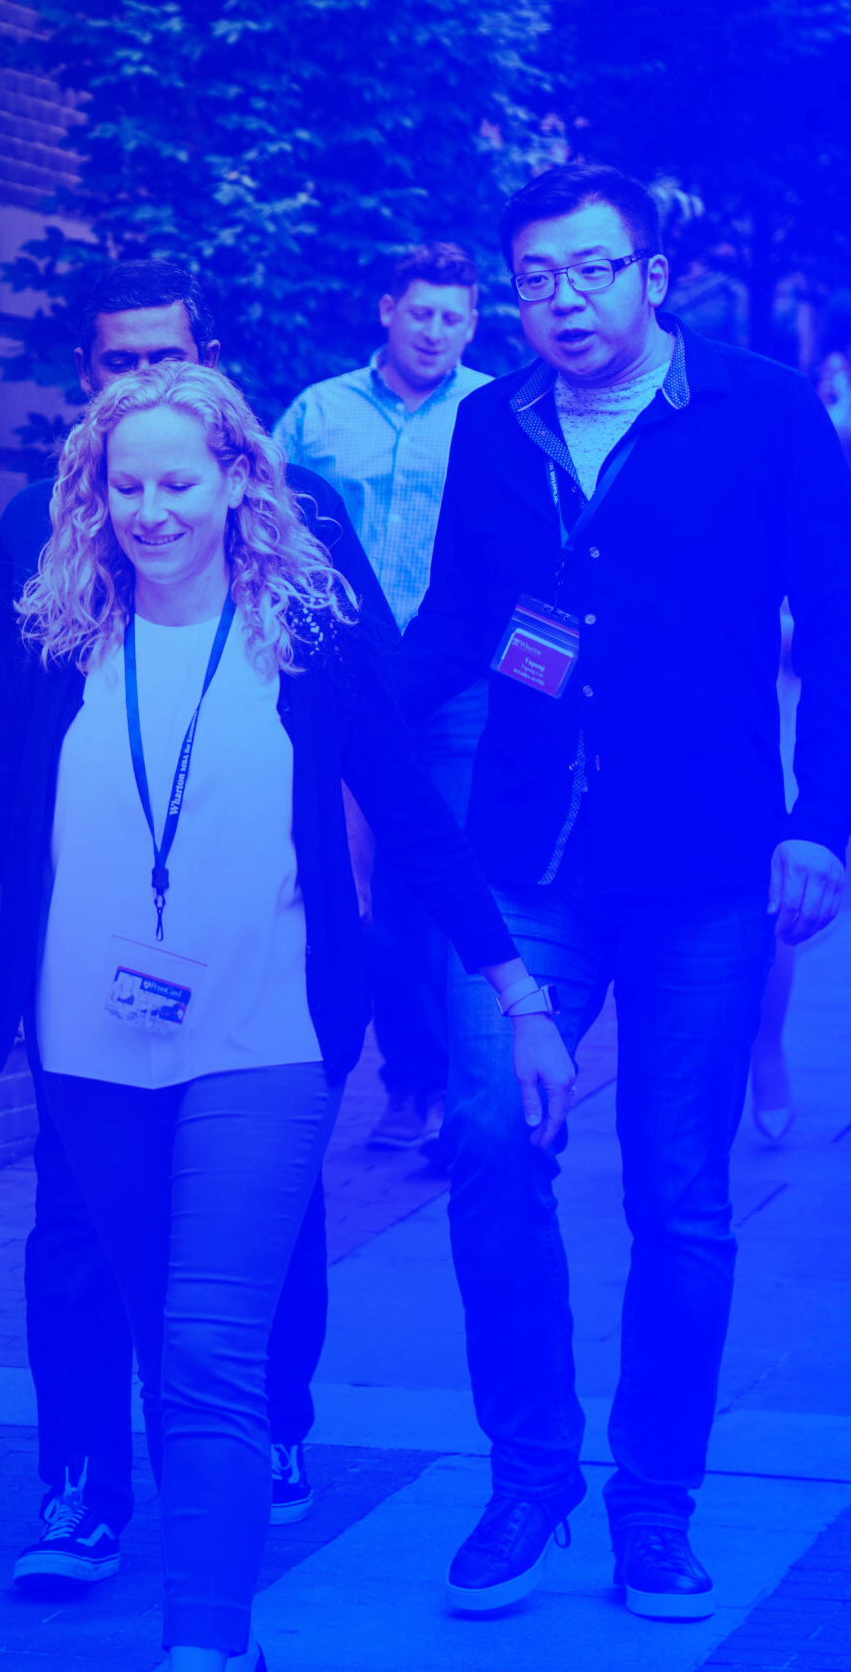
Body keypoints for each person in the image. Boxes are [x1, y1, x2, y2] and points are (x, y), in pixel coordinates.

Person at [0, 361, 576, 1671]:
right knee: (153, 1331)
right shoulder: (57, 635)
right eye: (126, 485)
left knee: (208, 1350)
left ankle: (208, 1644)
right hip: (87, 1043)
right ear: (94, 493)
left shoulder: (308, 632)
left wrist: (516, 990)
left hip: (266, 1036)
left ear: (239, 481)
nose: (152, 510)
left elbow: (411, 819)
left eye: (180, 481)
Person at [399, 165, 851, 1620]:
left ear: (653, 274)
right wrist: (313, 709)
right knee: (487, 1135)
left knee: (679, 1195)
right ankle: (529, 1475)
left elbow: (844, 629)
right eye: (537, 278)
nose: (566, 300)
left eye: (594, 270)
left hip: (706, 872)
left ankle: (655, 1504)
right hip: (531, 860)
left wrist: (820, 823)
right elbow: (463, 628)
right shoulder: (493, 426)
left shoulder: (760, 409)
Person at [0, 261, 399, 1594]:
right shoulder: (35, 535)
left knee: (259, 1224)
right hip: (92, 974)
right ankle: (85, 1481)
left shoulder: (300, 517)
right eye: (107, 361)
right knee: (77, 1228)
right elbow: (2, 764)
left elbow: (366, 746)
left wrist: (357, 913)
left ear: (204, 354)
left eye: (158, 351)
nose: (131, 377)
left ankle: (267, 1425)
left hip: (258, 969)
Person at [275, 243, 496, 1151]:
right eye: (421, 313)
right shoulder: (317, 417)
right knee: (373, 899)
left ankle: (452, 1093)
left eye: (453, 317)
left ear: (472, 324)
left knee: (447, 878)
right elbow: (266, 525)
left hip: (456, 690)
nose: (436, 330)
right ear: (387, 311)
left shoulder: (494, 414)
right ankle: (409, 1079)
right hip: (350, 690)